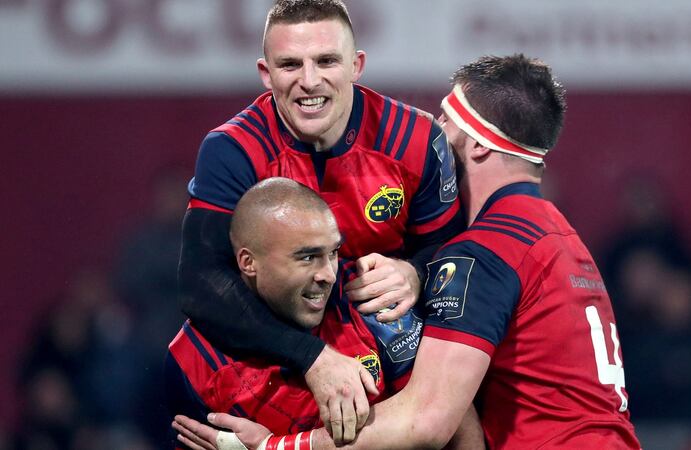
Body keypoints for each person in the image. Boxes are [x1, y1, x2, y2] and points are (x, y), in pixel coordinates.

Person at [174, 55, 641, 449]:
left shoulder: (484, 252)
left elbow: (425, 421)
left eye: (447, 119)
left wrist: (275, 447)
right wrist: (417, 272)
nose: (434, 133)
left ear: (478, 145)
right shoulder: (561, 238)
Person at [177, 0, 462, 442]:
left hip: (393, 358)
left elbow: (453, 257)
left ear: (356, 65)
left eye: (326, 61)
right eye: (290, 64)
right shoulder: (232, 150)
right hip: (273, 361)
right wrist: (315, 358)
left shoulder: (417, 140)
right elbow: (201, 284)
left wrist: (414, 273)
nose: (309, 81)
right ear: (266, 73)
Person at [168, 178, 481, 450]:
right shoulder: (193, 359)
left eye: (332, 253)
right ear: (249, 263)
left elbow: (456, 430)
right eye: (307, 257)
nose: (328, 274)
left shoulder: (368, 298)